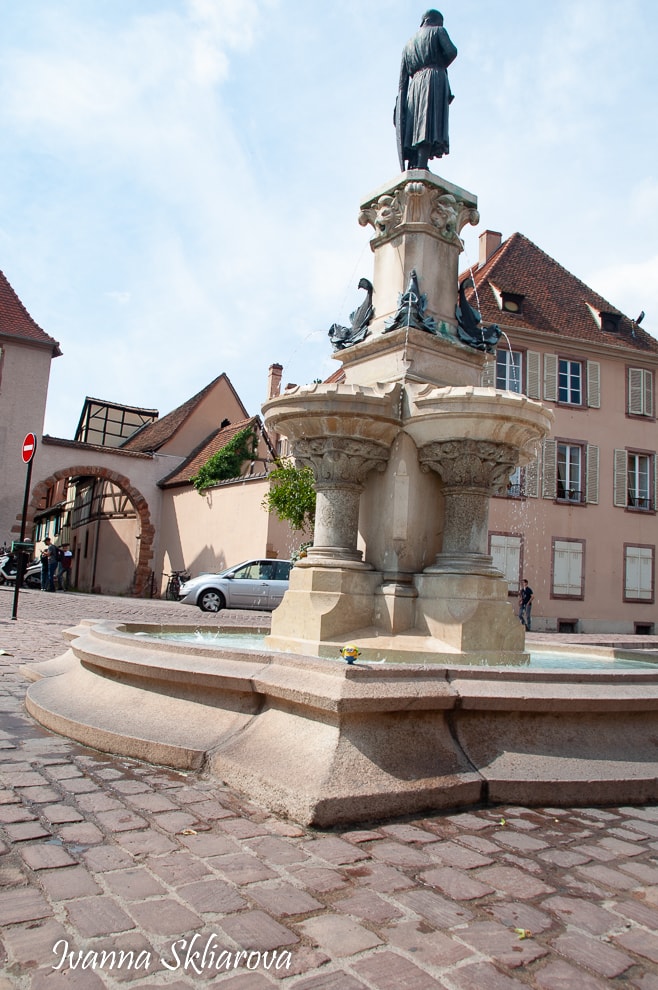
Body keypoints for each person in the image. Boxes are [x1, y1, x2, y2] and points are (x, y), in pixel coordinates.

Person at [395, 10, 457, 171]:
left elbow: (402, 82)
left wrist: (399, 106)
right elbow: (452, 52)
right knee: (428, 121)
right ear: (432, 21)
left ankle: (414, 161)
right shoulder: (438, 31)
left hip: (414, 86)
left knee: (415, 121)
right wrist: (438, 61)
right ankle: (422, 163)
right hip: (433, 78)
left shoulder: (408, 45)